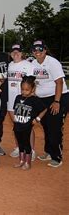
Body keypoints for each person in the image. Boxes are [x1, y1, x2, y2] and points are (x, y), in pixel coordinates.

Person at [31, 40, 68, 168]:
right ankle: (48, 152)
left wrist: (57, 101)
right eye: (35, 50)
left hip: (58, 97)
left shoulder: (52, 62)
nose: (38, 52)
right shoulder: (33, 63)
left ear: (45, 50)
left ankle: (57, 157)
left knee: (54, 127)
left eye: (40, 49)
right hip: (42, 99)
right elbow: (33, 82)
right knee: (46, 126)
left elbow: (59, 82)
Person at [9, 76, 47, 170]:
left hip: (27, 126)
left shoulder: (34, 100)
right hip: (17, 125)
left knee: (26, 145)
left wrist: (37, 119)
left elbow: (44, 109)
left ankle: (28, 163)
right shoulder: (18, 97)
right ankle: (21, 161)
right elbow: (14, 109)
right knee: (20, 144)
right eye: (22, 89)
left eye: (27, 90)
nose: (24, 92)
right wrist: (14, 118)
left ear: (33, 89)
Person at [7, 44, 36, 159]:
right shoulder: (10, 65)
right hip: (12, 100)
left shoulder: (28, 65)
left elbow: (34, 83)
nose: (15, 53)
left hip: (25, 100)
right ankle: (19, 147)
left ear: (22, 53)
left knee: (27, 126)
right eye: (13, 51)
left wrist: (31, 98)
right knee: (16, 125)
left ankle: (31, 150)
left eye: (18, 51)